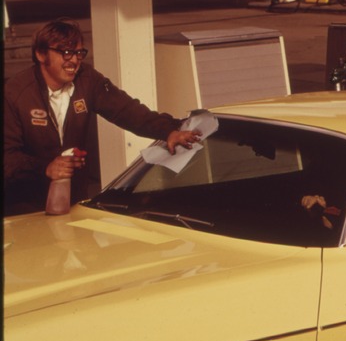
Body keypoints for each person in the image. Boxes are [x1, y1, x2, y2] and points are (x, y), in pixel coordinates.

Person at [4, 18, 201, 215]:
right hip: (25, 208)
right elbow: (7, 157)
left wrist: (168, 131)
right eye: (65, 53)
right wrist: (45, 168)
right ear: (40, 54)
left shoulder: (87, 79)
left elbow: (127, 111)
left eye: (78, 53)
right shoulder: (15, 92)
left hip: (73, 203)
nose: (73, 60)